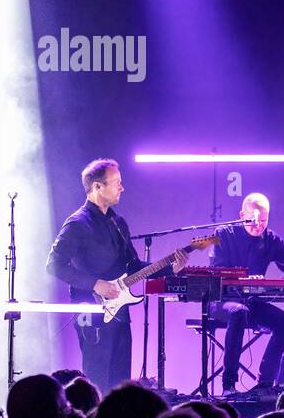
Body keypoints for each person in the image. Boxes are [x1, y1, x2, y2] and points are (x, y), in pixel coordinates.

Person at [48, 159, 185, 391]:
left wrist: (170, 267)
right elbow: (54, 264)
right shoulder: (77, 224)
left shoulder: (118, 222)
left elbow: (133, 266)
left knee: (120, 384)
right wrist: (95, 284)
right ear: (97, 187)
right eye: (117, 183)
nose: (122, 188)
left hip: (120, 312)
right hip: (92, 312)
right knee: (97, 381)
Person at [210, 193, 284, 394]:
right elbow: (217, 271)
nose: (258, 226)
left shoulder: (271, 239)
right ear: (241, 215)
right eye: (254, 220)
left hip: (251, 303)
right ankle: (228, 385)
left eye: (263, 221)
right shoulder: (224, 234)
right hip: (222, 302)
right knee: (239, 312)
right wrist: (244, 280)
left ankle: (265, 384)